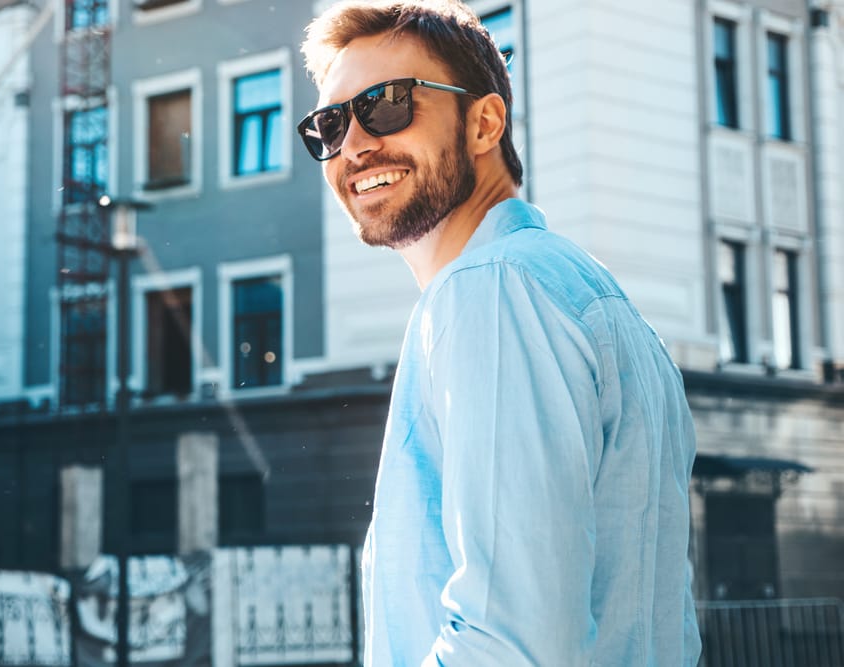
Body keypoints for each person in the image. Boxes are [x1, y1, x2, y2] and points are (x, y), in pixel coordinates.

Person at [298, 1, 701, 665]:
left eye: (388, 104)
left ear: (484, 122)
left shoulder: (490, 291)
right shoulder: (598, 302)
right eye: (330, 124)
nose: (357, 143)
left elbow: (511, 643)